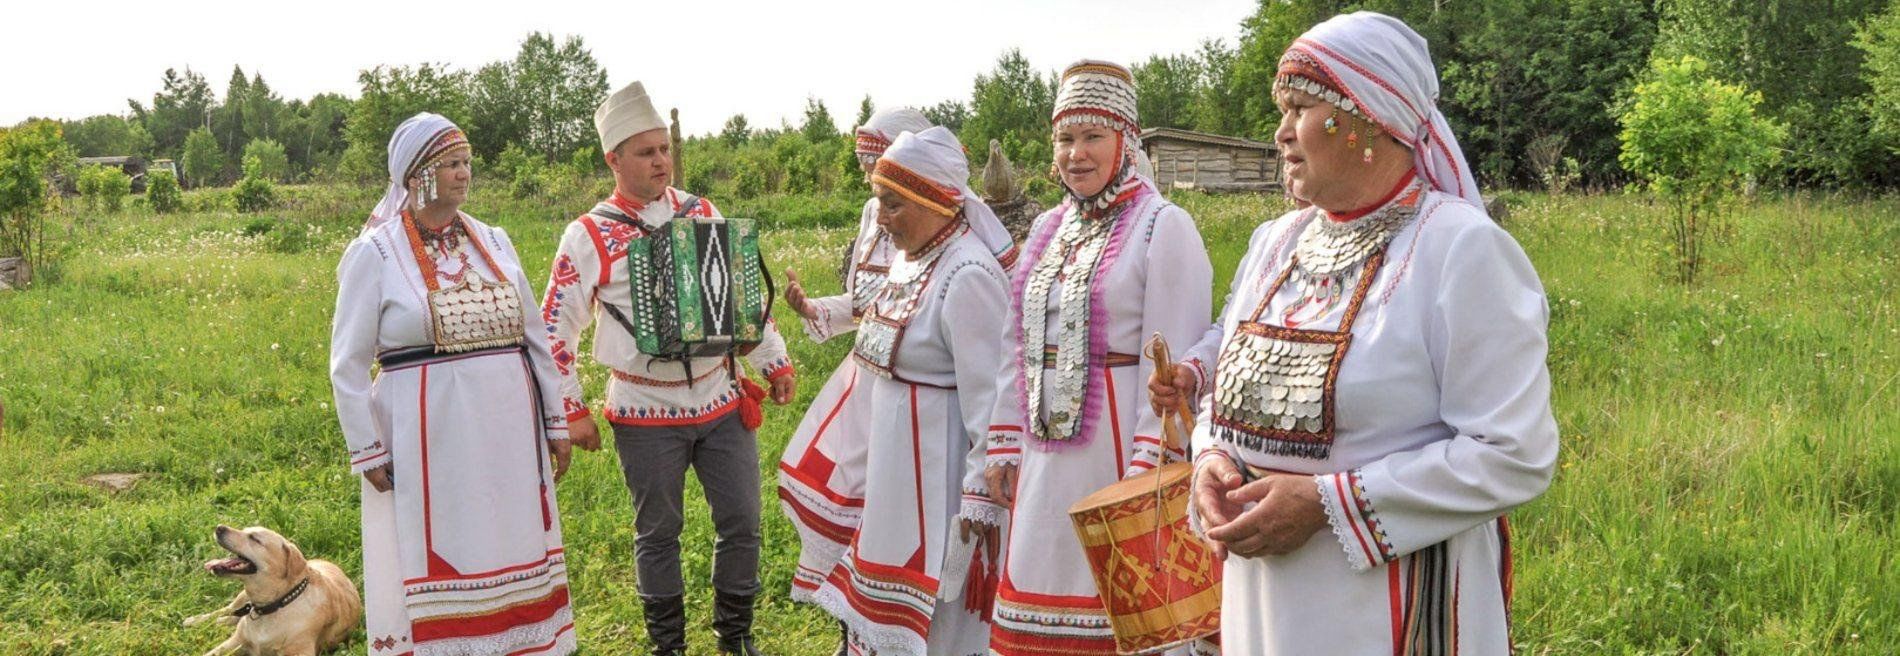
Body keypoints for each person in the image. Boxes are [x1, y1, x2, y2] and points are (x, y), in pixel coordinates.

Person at [1168, 12, 1559, 654]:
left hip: (1386, 602)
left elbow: (1513, 452)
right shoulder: (1276, 242)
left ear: (1369, 118)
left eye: (1299, 108)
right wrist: (1210, 457)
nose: (1281, 133)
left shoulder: (1458, 249)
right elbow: (1225, 398)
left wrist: (1327, 504)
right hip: (1263, 598)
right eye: (1282, 109)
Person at [539, 81, 796, 656]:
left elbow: (740, 298)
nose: (660, 160)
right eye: (645, 151)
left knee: (744, 523)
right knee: (658, 533)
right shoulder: (589, 234)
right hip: (643, 410)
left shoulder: (700, 210)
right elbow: (554, 326)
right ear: (614, 159)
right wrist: (571, 410)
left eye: (664, 148)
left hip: (722, 399)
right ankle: (669, 647)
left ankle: (735, 637)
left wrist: (773, 360)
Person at [980, 60, 1214, 656]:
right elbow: (1017, 340)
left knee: (1120, 615)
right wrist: (1004, 441)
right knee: (1037, 600)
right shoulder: (1048, 229)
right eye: (1064, 138)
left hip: (1115, 459)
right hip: (1042, 455)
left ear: (1126, 140)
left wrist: (1147, 470)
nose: (1075, 153)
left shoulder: (1163, 226)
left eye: (1092, 137)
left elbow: (1171, 359)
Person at [330, 112, 575, 656]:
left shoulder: (494, 240)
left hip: (508, 428)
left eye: (467, 162)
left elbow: (533, 336)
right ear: (418, 174)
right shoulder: (374, 254)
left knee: (508, 536)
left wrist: (555, 421)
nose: (465, 174)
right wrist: (366, 448)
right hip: (427, 436)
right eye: (452, 164)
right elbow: (346, 362)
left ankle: (520, 642)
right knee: (442, 546)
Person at [805, 126, 1016, 656]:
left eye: (892, 205)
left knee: (941, 622)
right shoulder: (912, 257)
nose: (880, 219)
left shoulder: (968, 275)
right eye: (879, 202)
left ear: (933, 201)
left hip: (938, 489)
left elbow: (990, 406)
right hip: (897, 476)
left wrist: (976, 509)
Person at [773, 107, 932, 653]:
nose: (871, 179)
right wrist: (812, 306)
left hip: (910, 387)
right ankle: (854, 632)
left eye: (878, 164)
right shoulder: (873, 213)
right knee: (846, 505)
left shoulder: (931, 219)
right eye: (867, 167)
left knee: (885, 514)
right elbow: (869, 303)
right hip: (862, 378)